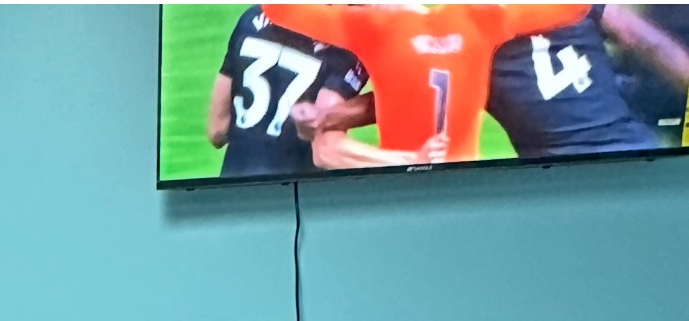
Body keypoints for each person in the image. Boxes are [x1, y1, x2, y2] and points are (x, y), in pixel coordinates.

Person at [292, 4, 689, 169]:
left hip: (562, 177)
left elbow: (417, 89)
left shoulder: (471, 36)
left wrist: (331, 116)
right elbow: (645, 40)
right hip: (640, 152)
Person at [263, 3, 592, 163]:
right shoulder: (481, 19)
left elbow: (280, 10)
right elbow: (574, 6)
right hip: (466, 187)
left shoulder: (374, 26)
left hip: (403, 190)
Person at [207, 6, 395, 177]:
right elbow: (326, 149)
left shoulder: (252, 16)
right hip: (296, 193)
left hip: (231, 191)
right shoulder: (346, 46)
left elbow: (217, 130)